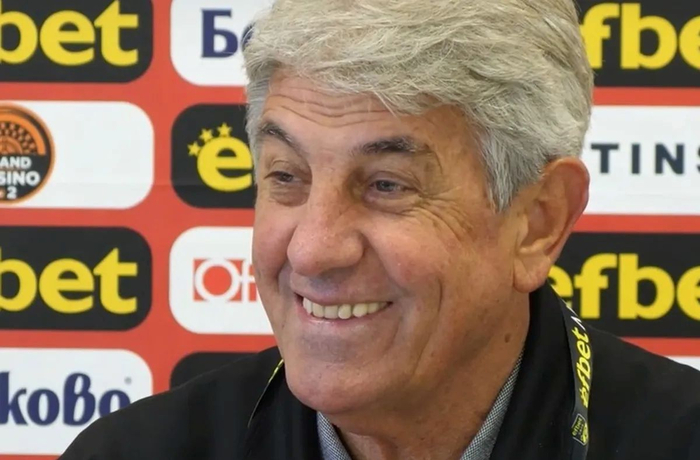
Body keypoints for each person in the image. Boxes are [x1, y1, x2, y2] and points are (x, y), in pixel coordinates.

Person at [60, 0, 700, 459]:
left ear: (538, 221)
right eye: (286, 175)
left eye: (387, 186)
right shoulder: (135, 449)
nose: (313, 249)